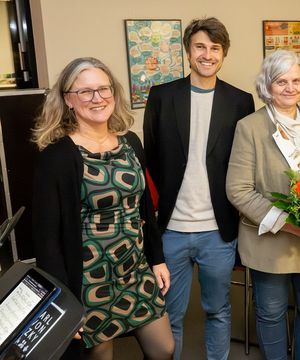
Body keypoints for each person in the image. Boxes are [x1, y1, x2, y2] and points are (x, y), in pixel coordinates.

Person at [32, 57, 173, 359]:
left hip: (134, 268)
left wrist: (157, 259)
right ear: (68, 99)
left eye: (103, 89)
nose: (97, 98)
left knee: (164, 348)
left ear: (113, 93)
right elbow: (47, 240)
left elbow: (145, 208)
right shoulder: (57, 157)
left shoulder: (131, 143)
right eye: (85, 92)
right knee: (100, 356)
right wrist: (60, 301)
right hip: (89, 279)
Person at [143, 17, 254, 360]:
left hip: (218, 232)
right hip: (171, 230)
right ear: (188, 52)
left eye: (215, 48)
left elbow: (243, 162)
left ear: (224, 54)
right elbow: (152, 159)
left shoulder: (240, 101)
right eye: (200, 47)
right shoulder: (162, 96)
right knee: (169, 318)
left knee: (218, 310)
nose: (207, 54)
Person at [226, 49, 300, 360]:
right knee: (272, 313)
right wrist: (289, 224)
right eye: (280, 81)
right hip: (271, 240)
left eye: (295, 80)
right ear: (267, 86)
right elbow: (238, 189)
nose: (290, 87)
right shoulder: (249, 127)